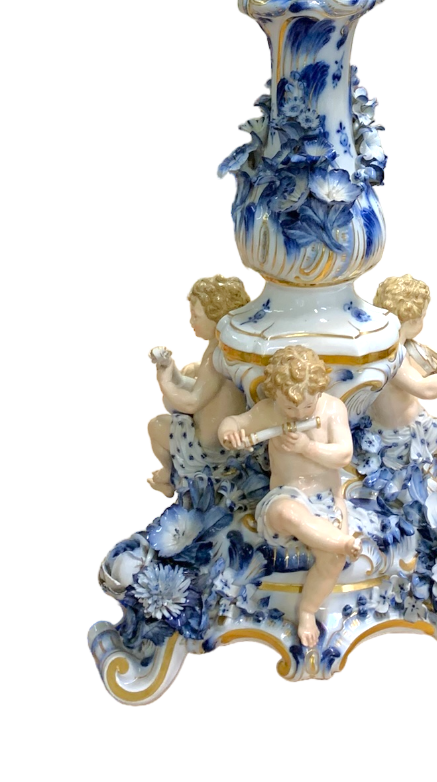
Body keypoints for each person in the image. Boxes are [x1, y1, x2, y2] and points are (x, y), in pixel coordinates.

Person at [219, 345, 364, 647]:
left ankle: (308, 610)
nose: (298, 414)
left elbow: (344, 454)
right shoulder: (269, 411)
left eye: (307, 407)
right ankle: (343, 541)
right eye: (289, 408)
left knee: (333, 560)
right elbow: (234, 423)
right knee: (286, 514)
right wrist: (230, 434)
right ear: (276, 396)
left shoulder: (332, 408)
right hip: (287, 495)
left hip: (324, 499)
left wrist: (307, 448)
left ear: (319, 391)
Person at [145, 272, 252, 498]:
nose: (191, 321)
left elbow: (192, 402)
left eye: (196, 315)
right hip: (223, 441)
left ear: (218, 317)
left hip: (208, 449)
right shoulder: (227, 348)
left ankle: (167, 476)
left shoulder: (216, 356)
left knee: (156, 425)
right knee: (187, 376)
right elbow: (200, 390)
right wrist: (170, 368)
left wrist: (165, 382)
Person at [367, 273, 437, 485]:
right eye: (424, 316)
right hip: (400, 433)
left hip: (401, 421)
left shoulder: (381, 347)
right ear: (412, 320)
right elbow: (425, 390)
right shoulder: (393, 357)